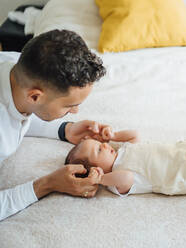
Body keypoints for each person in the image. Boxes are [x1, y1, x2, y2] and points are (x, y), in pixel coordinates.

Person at [0, 29, 109, 221]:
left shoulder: (17, 68)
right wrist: (48, 184)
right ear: (35, 96)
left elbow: (19, 110)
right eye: (70, 105)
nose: (75, 111)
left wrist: (64, 130)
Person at [64, 118, 186, 196]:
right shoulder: (114, 180)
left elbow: (134, 135)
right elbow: (127, 178)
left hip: (181, 149)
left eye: (100, 144)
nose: (105, 146)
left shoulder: (123, 150)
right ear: (96, 170)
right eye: (99, 151)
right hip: (179, 175)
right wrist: (100, 179)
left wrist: (113, 136)